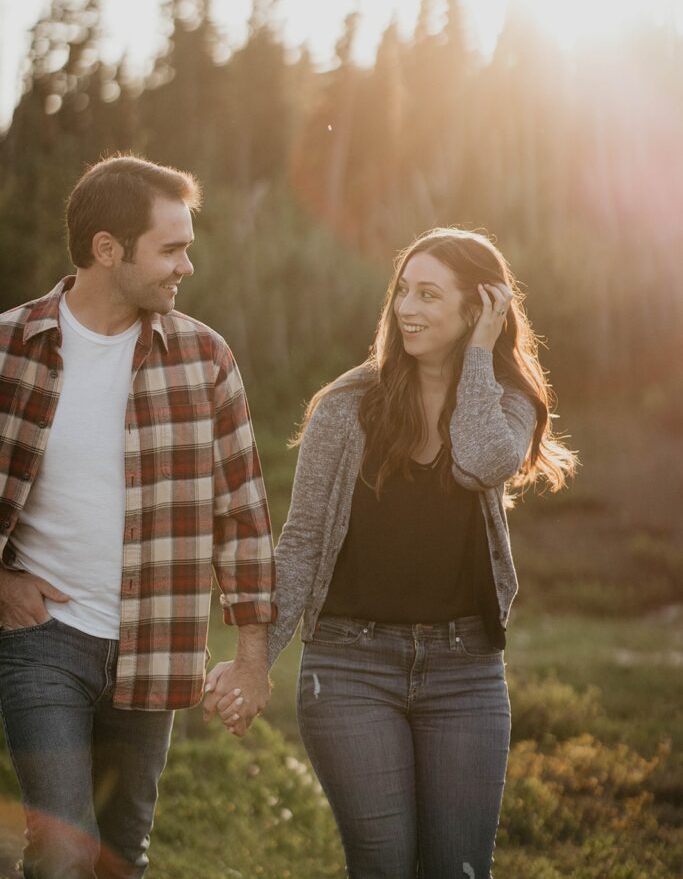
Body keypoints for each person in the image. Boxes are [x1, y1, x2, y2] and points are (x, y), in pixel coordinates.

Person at [265, 227, 577, 879]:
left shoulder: (506, 403)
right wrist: (251, 659)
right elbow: (299, 542)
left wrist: (476, 360)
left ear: (478, 309)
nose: (406, 308)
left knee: (459, 868)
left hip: (464, 673)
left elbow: (480, 462)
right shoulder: (346, 407)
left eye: (429, 294)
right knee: (382, 865)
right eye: (402, 290)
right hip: (348, 668)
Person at [0, 155, 276, 879]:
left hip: (156, 640)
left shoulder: (204, 359)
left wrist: (250, 655)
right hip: (43, 641)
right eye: (172, 248)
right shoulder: (7, 350)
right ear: (107, 249)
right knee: (61, 846)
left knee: (123, 850)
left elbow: (242, 513)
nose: (187, 265)